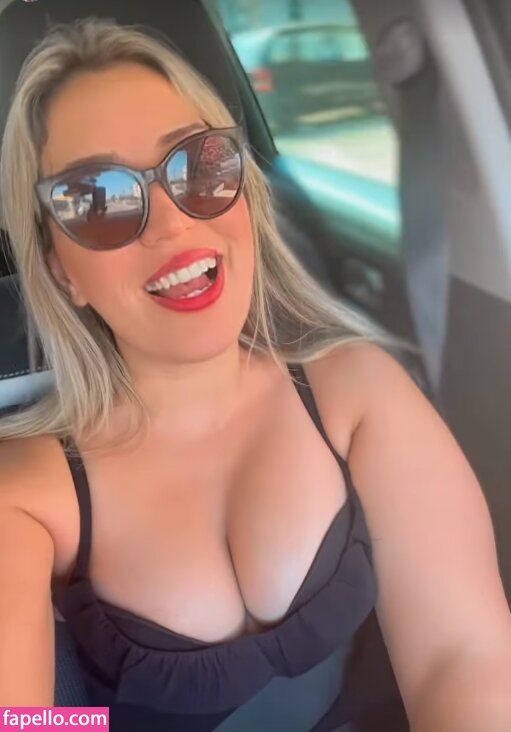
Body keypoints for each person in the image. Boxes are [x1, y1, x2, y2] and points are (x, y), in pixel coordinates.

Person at [0, 18, 510, 732]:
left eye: (199, 165)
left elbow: (462, 659)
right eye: (99, 199)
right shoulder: (25, 496)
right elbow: (20, 721)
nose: (172, 224)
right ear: (62, 271)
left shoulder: (355, 391)